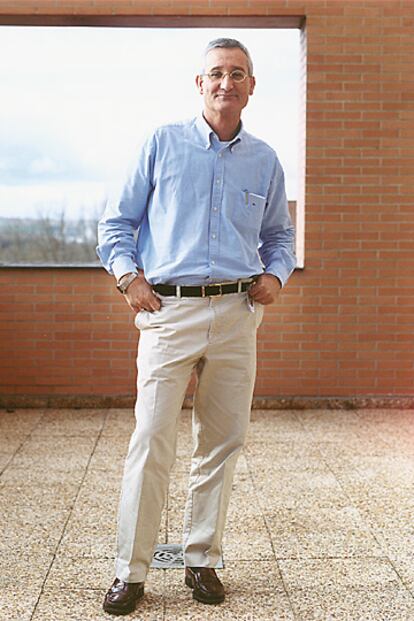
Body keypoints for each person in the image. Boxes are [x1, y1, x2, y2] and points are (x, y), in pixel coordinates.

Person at [97, 37, 296, 615]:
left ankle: (201, 560)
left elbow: (279, 237)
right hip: (168, 313)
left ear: (252, 86)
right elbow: (116, 223)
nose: (226, 83)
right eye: (216, 73)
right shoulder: (162, 143)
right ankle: (131, 572)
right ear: (199, 83)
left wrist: (277, 276)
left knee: (222, 444)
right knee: (151, 441)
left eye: (238, 74)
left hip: (237, 316)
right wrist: (129, 279)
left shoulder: (265, 159)